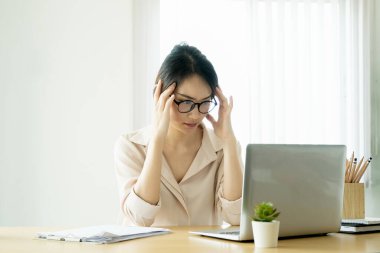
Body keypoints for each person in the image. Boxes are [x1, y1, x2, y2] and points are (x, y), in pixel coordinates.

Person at [114, 43, 243, 227]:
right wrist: (157, 140)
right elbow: (141, 217)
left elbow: (235, 217)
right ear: (160, 96)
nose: (195, 114)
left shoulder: (223, 148)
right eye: (185, 102)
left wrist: (229, 141)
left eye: (204, 102)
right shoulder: (130, 146)